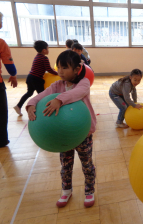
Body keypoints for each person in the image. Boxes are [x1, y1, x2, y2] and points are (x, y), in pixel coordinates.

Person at [26, 50, 96, 208]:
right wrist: (32, 103)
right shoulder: (57, 85)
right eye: (58, 67)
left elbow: (77, 93)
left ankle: (89, 190)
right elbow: (43, 94)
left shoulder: (83, 83)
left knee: (87, 164)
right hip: (63, 136)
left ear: (77, 69)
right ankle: (66, 191)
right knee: (65, 165)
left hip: (83, 133)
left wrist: (59, 99)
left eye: (65, 68)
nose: (60, 71)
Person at [13, 41, 58, 116]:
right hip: (37, 79)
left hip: (30, 77)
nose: (48, 50)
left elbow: (45, 68)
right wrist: (57, 73)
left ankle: (18, 106)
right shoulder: (44, 58)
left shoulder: (37, 56)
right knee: (43, 95)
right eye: (48, 48)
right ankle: (43, 109)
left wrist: (52, 70)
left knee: (29, 93)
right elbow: (49, 69)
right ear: (44, 50)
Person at [0, 12, 18, 148]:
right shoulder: (1, 43)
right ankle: (2, 140)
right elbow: (9, 63)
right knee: (1, 113)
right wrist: (13, 74)